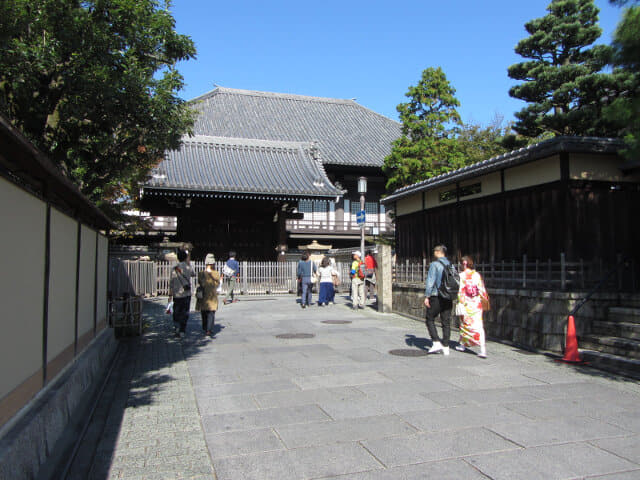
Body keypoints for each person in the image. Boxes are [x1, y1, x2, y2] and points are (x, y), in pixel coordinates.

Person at [455, 255, 489, 358]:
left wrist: (460, 302)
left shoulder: (461, 276)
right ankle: (482, 349)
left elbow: (460, 292)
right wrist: (484, 299)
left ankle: (463, 345)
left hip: (466, 304)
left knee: (465, 325)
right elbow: (482, 289)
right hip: (476, 304)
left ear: (463, 264)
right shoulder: (477, 275)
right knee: (478, 326)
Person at [423, 245, 454, 355]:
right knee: (446, 321)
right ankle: (446, 345)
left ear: (438, 252)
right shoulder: (451, 265)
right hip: (449, 296)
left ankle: (436, 341)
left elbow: (430, 281)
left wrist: (427, 296)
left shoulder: (434, 264)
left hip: (437, 295)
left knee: (429, 318)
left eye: (434, 251)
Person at [169, 248, 195, 338]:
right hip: (186, 294)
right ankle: (182, 330)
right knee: (185, 312)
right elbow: (193, 274)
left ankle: (177, 327)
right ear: (185, 257)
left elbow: (171, 282)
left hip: (177, 294)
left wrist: (170, 295)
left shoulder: (174, 268)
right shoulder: (188, 267)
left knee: (176, 311)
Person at [196, 253, 221, 337]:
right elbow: (217, 284)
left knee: (204, 312)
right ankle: (209, 330)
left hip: (203, 295)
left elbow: (199, 282)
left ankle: (205, 327)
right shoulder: (216, 273)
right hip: (212, 294)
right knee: (211, 312)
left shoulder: (201, 273)